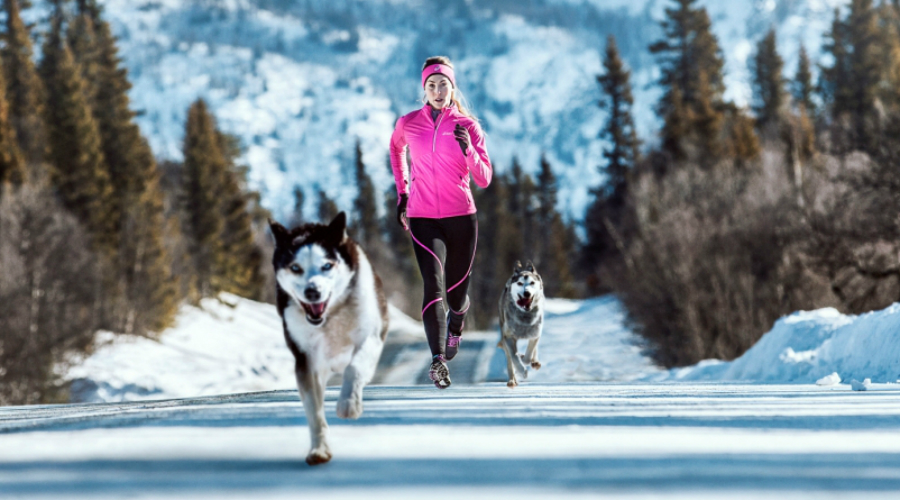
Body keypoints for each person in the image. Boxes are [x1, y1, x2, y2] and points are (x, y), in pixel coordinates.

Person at [389, 56, 492, 389]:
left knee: (455, 294)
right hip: (422, 218)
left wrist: (469, 151)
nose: (437, 91)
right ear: (424, 88)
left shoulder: (468, 126)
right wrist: (403, 193)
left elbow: (485, 178)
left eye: (443, 84)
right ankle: (437, 361)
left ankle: (457, 322)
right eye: (431, 85)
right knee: (432, 287)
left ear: (452, 87)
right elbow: (395, 150)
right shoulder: (409, 123)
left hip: (461, 217)